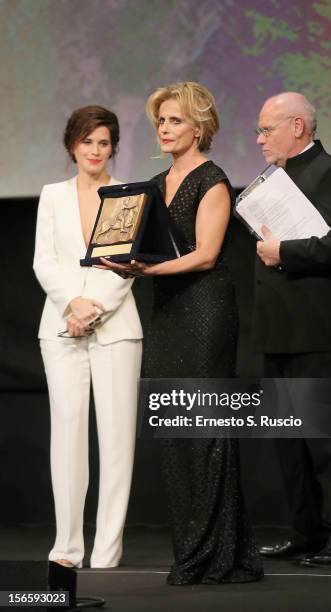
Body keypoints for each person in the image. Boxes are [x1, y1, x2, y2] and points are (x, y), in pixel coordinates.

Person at [101, 82, 263, 585]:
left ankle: (215, 553)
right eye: (160, 122)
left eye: (174, 121)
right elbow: (153, 249)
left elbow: (206, 254)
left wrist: (146, 272)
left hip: (206, 310)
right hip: (168, 311)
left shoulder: (212, 179)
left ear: (199, 126)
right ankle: (193, 547)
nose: (165, 129)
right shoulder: (154, 181)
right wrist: (128, 264)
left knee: (206, 428)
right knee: (175, 428)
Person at [253, 92, 331, 566]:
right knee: (290, 442)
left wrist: (286, 252)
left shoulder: (330, 172)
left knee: (328, 439)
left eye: (266, 129)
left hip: (318, 331)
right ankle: (306, 531)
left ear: (297, 126)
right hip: (280, 329)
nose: (259, 139)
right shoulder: (278, 178)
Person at [33, 106, 142, 569]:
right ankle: (68, 548)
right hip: (61, 327)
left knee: (117, 442)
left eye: (103, 142)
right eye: (87, 142)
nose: (95, 151)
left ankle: (107, 552)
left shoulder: (128, 196)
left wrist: (91, 308)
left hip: (115, 328)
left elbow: (127, 267)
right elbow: (45, 261)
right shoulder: (52, 195)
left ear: (113, 147)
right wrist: (72, 305)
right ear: (71, 145)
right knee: (68, 438)